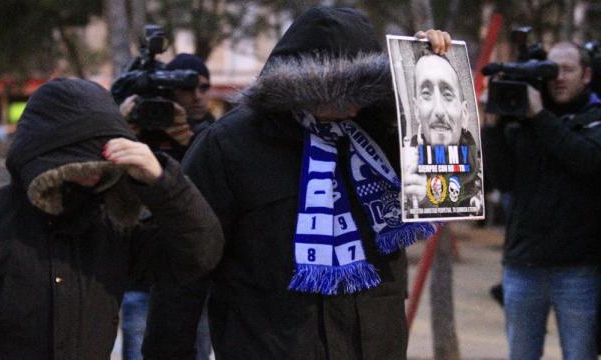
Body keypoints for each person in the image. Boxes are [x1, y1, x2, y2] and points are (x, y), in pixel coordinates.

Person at [144, 7, 450, 360]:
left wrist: (424, 71)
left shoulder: (385, 130)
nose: (354, 106)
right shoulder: (228, 145)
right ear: (302, 86)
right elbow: (186, 261)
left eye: (366, 91)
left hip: (375, 343)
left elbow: (451, 184)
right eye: (342, 92)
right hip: (270, 344)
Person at [0, 78, 223, 359]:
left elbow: (200, 253)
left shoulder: (115, 227)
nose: (95, 172)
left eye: (104, 163)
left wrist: (163, 181)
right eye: (83, 160)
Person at [483, 41, 601, 360]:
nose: (558, 77)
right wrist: (492, 128)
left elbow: (587, 160)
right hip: (523, 267)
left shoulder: (594, 117)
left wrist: (539, 115)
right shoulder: (523, 118)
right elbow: (502, 179)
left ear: (586, 74)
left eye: (568, 69)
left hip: (579, 271)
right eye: (551, 70)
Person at [118, 54, 216, 360]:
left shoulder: (213, 136)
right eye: (189, 89)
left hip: (195, 278)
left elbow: (207, 199)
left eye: (204, 88)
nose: (198, 97)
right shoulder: (137, 131)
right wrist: (120, 128)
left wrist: (186, 140)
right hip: (142, 279)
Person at [403, 48, 483, 213]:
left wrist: (428, 198)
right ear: (417, 111)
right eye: (426, 94)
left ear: (465, 113)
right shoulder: (401, 162)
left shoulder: (479, 167)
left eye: (447, 94)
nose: (439, 110)